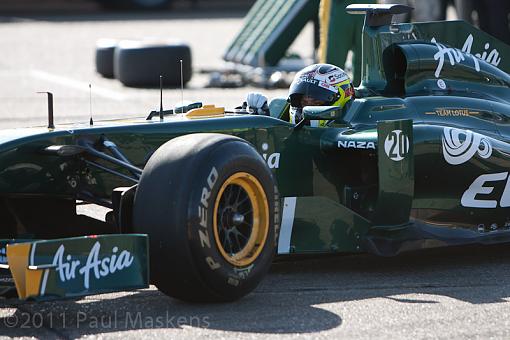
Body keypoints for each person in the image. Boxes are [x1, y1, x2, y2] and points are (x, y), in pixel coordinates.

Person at [242, 63, 355, 127]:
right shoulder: (281, 114)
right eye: (303, 100)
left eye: (316, 101)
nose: (307, 106)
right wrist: (257, 118)